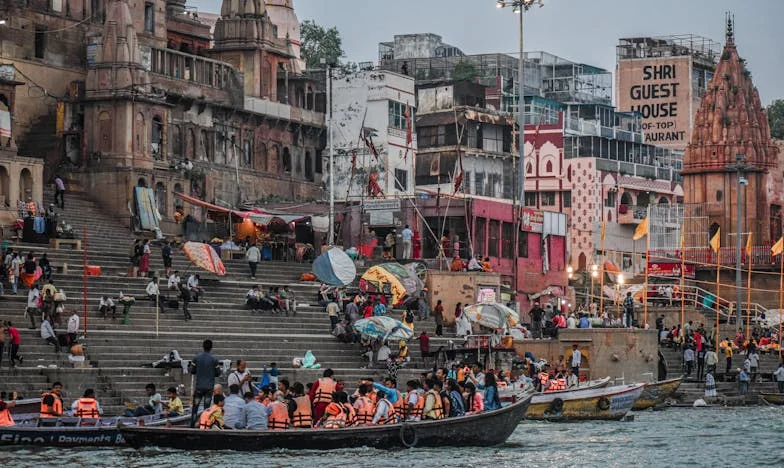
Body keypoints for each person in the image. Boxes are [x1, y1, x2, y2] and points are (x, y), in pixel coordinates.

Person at [190, 339, 219, 427]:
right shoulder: (214, 359)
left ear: (203, 347)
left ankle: (192, 426)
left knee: (195, 407)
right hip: (209, 387)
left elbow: (192, 370)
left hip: (199, 386)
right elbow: (218, 373)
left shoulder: (196, 358)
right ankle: (204, 425)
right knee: (206, 409)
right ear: (211, 347)